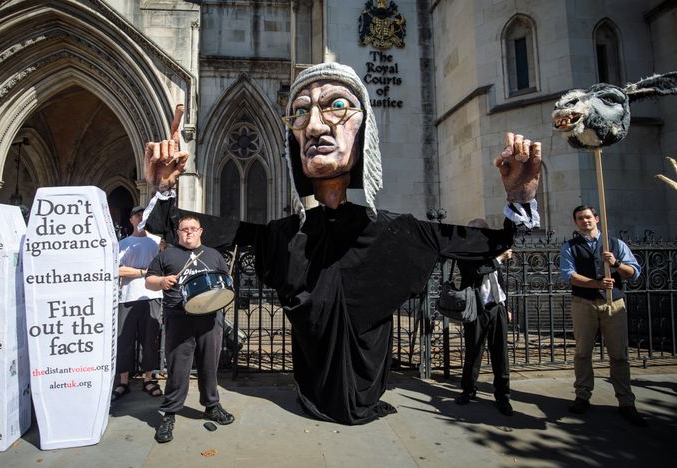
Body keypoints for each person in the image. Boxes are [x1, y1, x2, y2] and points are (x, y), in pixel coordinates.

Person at [143, 62, 542, 425]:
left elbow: (478, 243)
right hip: (310, 383)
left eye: (336, 105)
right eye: (300, 112)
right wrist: (163, 191)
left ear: (365, 130)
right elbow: (202, 227)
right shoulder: (286, 235)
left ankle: (363, 396)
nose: (315, 126)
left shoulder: (392, 232)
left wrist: (519, 199)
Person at [145, 214, 235, 443]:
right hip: (179, 317)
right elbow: (149, 280)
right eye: (184, 229)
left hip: (209, 318)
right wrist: (162, 282)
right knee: (178, 368)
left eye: (193, 228)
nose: (189, 232)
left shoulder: (213, 255)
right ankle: (169, 413)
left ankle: (211, 406)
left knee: (209, 365)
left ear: (200, 231)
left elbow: (226, 280)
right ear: (178, 232)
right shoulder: (167, 255)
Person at [559, 205, 646, 426]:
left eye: (588, 217)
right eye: (580, 218)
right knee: (582, 352)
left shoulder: (615, 244)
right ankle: (582, 396)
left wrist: (615, 263)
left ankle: (626, 401)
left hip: (613, 304)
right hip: (583, 303)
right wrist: (597, 283)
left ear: (597, 219)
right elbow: (569, 275)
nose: (585, 221)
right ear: (576, 222)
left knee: (618, 355)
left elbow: (634, 273)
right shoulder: (570, 247)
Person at [454, 218, 514, 416]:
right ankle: (469, 389)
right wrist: (498, 259)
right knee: (474, 351)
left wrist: (506, 306)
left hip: (497, 307)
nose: (481, 234)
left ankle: (503, 395)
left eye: (484, 231)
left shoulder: (493, 249)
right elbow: (477, 271)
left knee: (500, 353)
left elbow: (500, 280)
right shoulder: (466, 251)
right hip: (477, 308)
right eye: (476, 230)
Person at [112, 206, 163, 402]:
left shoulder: (158, 242)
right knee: (124, 340)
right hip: (127, 296)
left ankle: (148, 379)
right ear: (131, 220)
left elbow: (162, 267)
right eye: (137, 215)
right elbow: (117, 271)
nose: (141, 218)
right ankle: (123, 381)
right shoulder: (123, 243)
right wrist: (144, 272)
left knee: (149, 340)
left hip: (152, 296)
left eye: (145, 215)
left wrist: (133, 270)